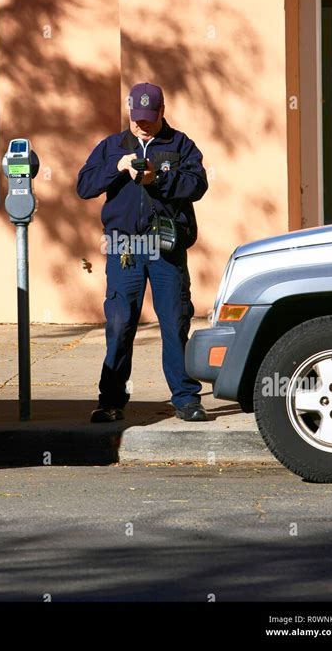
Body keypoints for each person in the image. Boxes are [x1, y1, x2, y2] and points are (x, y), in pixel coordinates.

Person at [76, 82, 208, 422]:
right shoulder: (111, 147)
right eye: (137, 118)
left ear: (162, 111)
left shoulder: (181, 144)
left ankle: (186, 399)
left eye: (150, 118)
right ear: (128, 110)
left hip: (167, 247)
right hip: (125, 249)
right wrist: (117, 167)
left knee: (174, 323)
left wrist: (158, 181)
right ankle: (111, 401)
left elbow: (198, 185)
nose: (142, 124)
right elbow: (84, 186)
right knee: (119, 325)